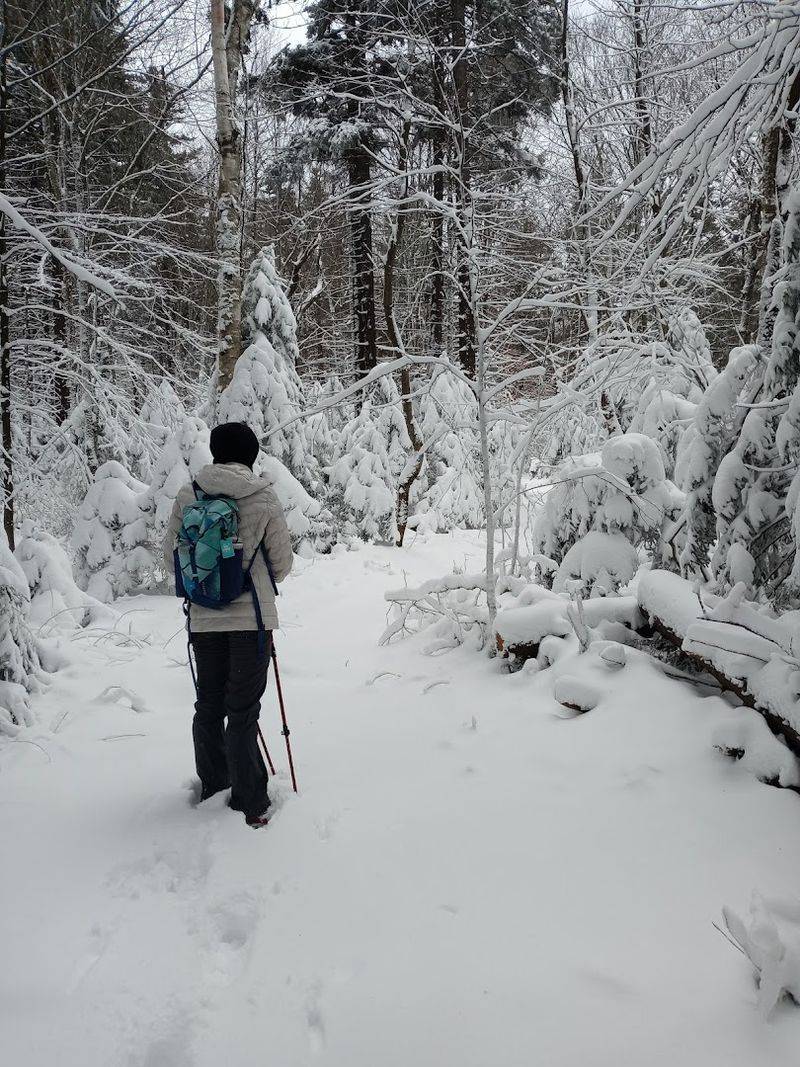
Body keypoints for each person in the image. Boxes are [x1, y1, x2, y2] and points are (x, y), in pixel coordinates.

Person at [164, 422, 293, 828]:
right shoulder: (262, 496)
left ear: (215, 453)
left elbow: (171, 555)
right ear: (251, 454)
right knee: (242, 709)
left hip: (204, 620)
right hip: (251, 620)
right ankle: (250, 801)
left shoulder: (190, 494)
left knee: (209, 704)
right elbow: (282, 563)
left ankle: (214, 786)